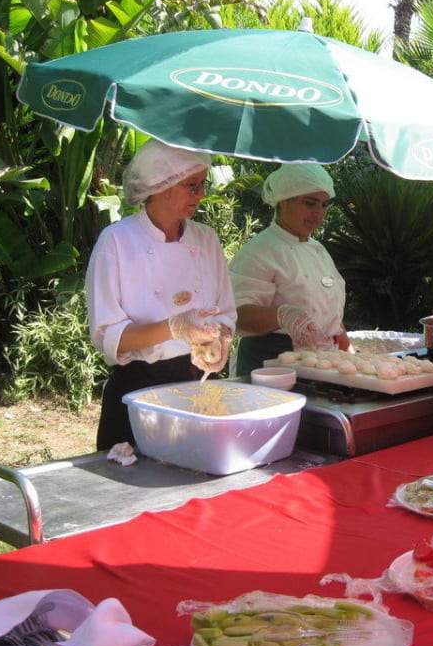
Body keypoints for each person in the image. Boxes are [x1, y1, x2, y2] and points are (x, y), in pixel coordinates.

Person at [86, 139, 236, 451]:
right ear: (160, 185)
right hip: (137, 388)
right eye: (192, 186)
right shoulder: (117, 242)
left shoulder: (206, 239)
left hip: (196, 383)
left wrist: (220, 340)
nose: (202, 194)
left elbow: (225, 312)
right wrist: (173, 328)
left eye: (202, 184)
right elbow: (109, 336)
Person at [229, 164, 349, 375]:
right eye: (310, 203)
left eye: (324, 205)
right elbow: (235, 316)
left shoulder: (317, 249)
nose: (318, 214)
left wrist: (342, 338)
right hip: (270, 366)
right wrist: (283, 316)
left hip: (321, 365)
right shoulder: (259, 251)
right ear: (283, 201)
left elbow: (326, 307)